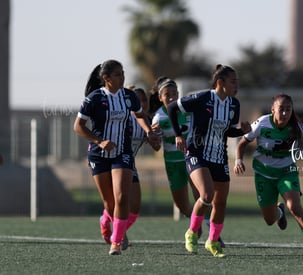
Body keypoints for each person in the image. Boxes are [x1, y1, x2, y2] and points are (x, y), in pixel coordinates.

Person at [73, 60, 156, 255]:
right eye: (118, 74)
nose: (122, 77)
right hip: (99, 155)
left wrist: (148, 131)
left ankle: (116, 242)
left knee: (122, 197)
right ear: (106, 79)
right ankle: (106, 221)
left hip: (122, 152)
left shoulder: (129, 96)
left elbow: (140, 115)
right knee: (109, 203)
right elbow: (78, 127)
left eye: (123, 73)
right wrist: (99, 141)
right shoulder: (93, 99)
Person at [167, 65, 251, 257]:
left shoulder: (233, 105)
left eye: (237, 81)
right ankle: (191, 233)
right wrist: (178, 135)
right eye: (233, 81)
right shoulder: (203, 98)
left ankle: (212, 242)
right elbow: (172, 108)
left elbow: (228, 131)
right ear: (220, 82)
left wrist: (241, 131)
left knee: (220, 203)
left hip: (219, 157)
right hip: (197, 153)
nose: (237, 85)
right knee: (206, 195)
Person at [233, 93, 303, 257]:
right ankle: (279, 213)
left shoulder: (296, 127)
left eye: (288, 110)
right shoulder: (262, 123)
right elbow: (242, 144)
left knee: (294, 206)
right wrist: (238, 161)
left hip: (286, 172)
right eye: (281, 109)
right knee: (270, 219)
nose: (284, 113)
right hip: (263, 174)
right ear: (273, 109)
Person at [149, 77, 225, 247]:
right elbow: (155, 147)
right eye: (167, 95)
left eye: (174, 93)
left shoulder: (188, 109)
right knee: (182, 206)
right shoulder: (158, 117)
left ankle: (213, 234)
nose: (171, 97)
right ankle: (194, 224)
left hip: (192, 158)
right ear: (160, 97)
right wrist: (153, 139)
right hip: (173, 164)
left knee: (203, 197)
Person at [98, 85, 156, 251]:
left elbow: (156, 147)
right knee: (117, 201)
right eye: (138, 99)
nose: (142, 103)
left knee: (135, 208)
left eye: (144, 99)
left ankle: (112, 225)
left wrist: (154, 137)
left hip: (129, 163)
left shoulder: (148, 121)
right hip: (111, 162)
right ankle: (116, 233)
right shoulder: (124, 118)